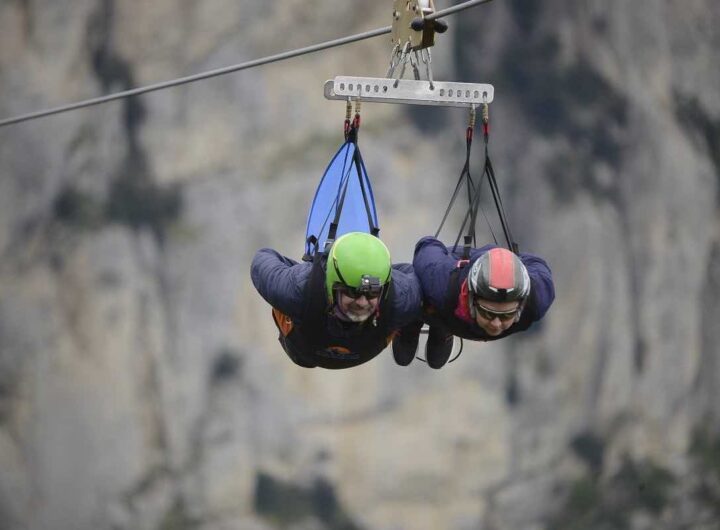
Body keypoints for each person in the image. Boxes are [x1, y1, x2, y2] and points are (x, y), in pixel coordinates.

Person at [251, 232, 423, 369]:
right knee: (304, 361)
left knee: (412, 298)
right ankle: (410, 321)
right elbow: (262, 259)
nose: (362, 302)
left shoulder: (401, 300)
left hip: (360, 342)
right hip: (302, 350)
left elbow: (429, 280)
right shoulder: (298, 291)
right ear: (333, 287)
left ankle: (410, 324)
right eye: (352, 292)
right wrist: (309, 271)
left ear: (382, 290)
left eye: (371, 293)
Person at [392, 235, 555, 369]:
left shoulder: (535, 301)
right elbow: (427, 245)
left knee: (436, 361)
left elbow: (538, 264)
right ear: (471, 300)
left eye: (507, 315)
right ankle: (413, 318)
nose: (496, 324)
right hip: (446, 274)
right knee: (417, 290)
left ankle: (443, 326)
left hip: (454, 303)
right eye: (488, 312)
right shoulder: (442, 284)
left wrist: (509, 260)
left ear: (520, 307)